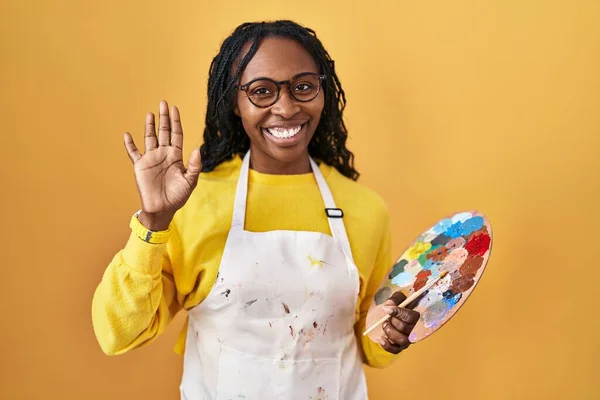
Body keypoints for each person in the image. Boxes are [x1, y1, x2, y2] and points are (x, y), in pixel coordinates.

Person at [92, 20, 420, 399]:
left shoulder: (365, 209)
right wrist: (153, 221)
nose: (286, 107)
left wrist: (393, 334)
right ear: (234, 101)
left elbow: (370, 346)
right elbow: (117, 335)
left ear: (322, 91)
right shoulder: (194, 204)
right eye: (262, 91)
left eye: (303, 86)